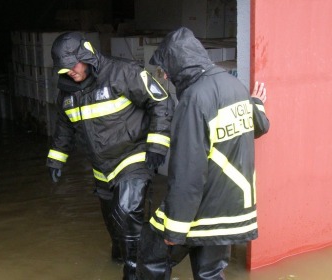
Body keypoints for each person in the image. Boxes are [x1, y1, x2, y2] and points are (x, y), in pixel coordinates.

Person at [136, 27, 270, 280]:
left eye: (165, 68)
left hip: (205, 205)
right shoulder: (236, 86)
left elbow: (188, 171)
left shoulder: (194, 99)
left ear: (178, 64)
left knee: (151, 255)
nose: (164, 75)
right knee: (210, 273)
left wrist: (174, 231)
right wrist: (257, 104)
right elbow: (260, 126)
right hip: (235, 207)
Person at [46, 31, 174, 279]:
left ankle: (135, 270)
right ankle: (123, 257)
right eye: (64, 69)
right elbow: (64, 127)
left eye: (73, 65)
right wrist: (56, 159)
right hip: (101, 168)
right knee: (115, 227)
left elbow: (160, 101)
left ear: (87, 56)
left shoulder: (122, 72)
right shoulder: (67, 93)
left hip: (133, 156)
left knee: (126, 211)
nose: (69, 72)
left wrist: (157, 145)